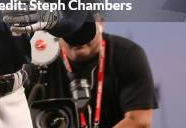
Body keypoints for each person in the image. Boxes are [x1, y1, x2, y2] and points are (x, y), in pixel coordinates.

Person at [25, 21, 158, 128]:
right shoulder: (39, 62)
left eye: (84, 28)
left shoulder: (127, 54)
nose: (78, 37)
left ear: (101, 23)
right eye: (70, 28)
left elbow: (140, 122)